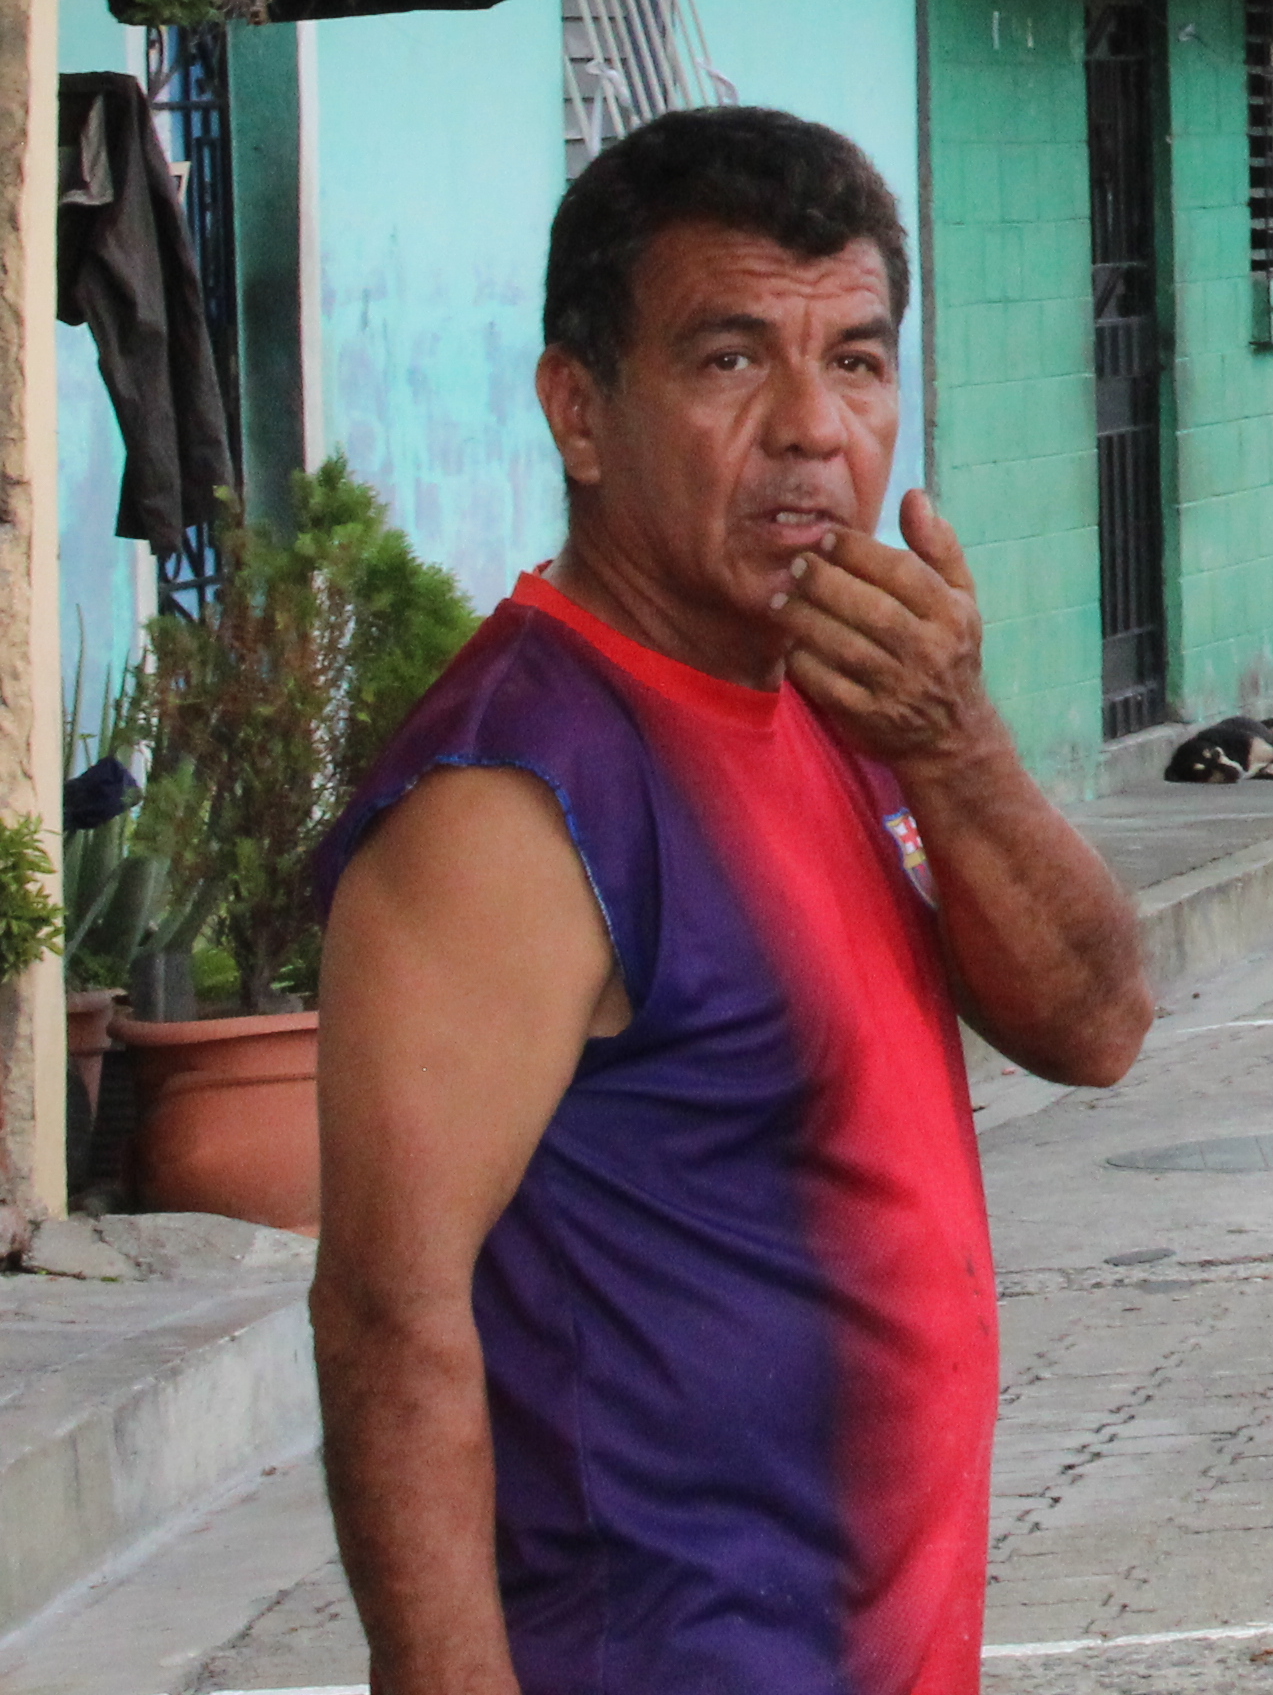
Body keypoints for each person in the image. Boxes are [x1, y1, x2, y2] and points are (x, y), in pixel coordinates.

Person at [312, 108, 1154, 1695]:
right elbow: (384, 1321)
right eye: (727, 361)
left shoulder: (853, 695)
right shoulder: (515, 794)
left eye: (856, 360)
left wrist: (958, 742)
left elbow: (1097, 1025)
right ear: (580, 410)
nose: (811, 430)